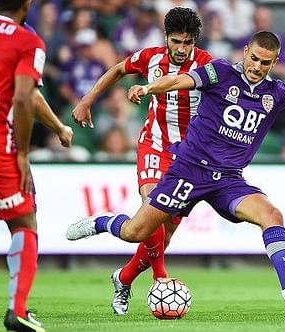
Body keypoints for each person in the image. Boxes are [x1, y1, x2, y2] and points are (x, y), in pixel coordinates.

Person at [66, 31, 285, 305]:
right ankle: (99, 222)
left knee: (272, 215)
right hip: (189, 171)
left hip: (228, 180)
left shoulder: (277, 92)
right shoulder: (220, 72)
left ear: (275, 63)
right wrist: (148, 86)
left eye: (266, 63)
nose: (258, 66)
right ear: (246, 52)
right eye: (254, 58)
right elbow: (180, 81)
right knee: (136, 233)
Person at [70, 7, 212, 315]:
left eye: (188, 42)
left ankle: (122, 278)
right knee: (154, 210)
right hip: (155, 144)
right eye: (176, 41)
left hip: (188, 156)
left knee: (163, 231)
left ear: (195, 42)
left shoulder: (208, 66)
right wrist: (87, 99)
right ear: (166, 37)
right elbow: (118, 69)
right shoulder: (150, 58)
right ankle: (161, 279)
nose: (181, 48)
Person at [0, 0, 47, 331]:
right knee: (24, 221)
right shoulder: (28, 40)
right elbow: (22, 98)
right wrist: (22, 152)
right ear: (26, 3)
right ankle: (17, 310)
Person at [0, 0, 74, 225]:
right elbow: (27, 97)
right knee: (25, 218)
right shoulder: (25, 36)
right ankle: (26, 259)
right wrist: (59, 127)